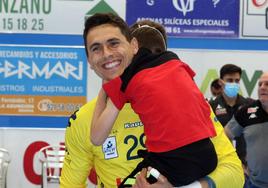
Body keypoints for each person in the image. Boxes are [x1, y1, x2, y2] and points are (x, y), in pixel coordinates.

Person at [60, 13, 244, 188]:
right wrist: (110, 86)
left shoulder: (193, 103)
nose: (108, 53)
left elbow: (234, 173)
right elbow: (71, 184)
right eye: (97, 48)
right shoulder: (84, 119)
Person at [90, 18, 218, 188]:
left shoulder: (126, 79)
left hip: (171, 163)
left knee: (132, 184)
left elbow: (96, 137)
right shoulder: (180, 67)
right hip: (208, 156)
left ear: (132, 48)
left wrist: (105, 87)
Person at [225, 72, 268, 188]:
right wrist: (238, 164)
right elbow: (225, 136)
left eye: (267, 84)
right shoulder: (246, 111)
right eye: (260, 84)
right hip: (255, 184)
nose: (262, 87)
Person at [209, 64, 253, 167]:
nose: (234, 84)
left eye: (237, 81)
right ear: (220, 82)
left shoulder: (248, 105)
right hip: (221, 165)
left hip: (246, 167)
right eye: (229, 80)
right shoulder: (210, 107)